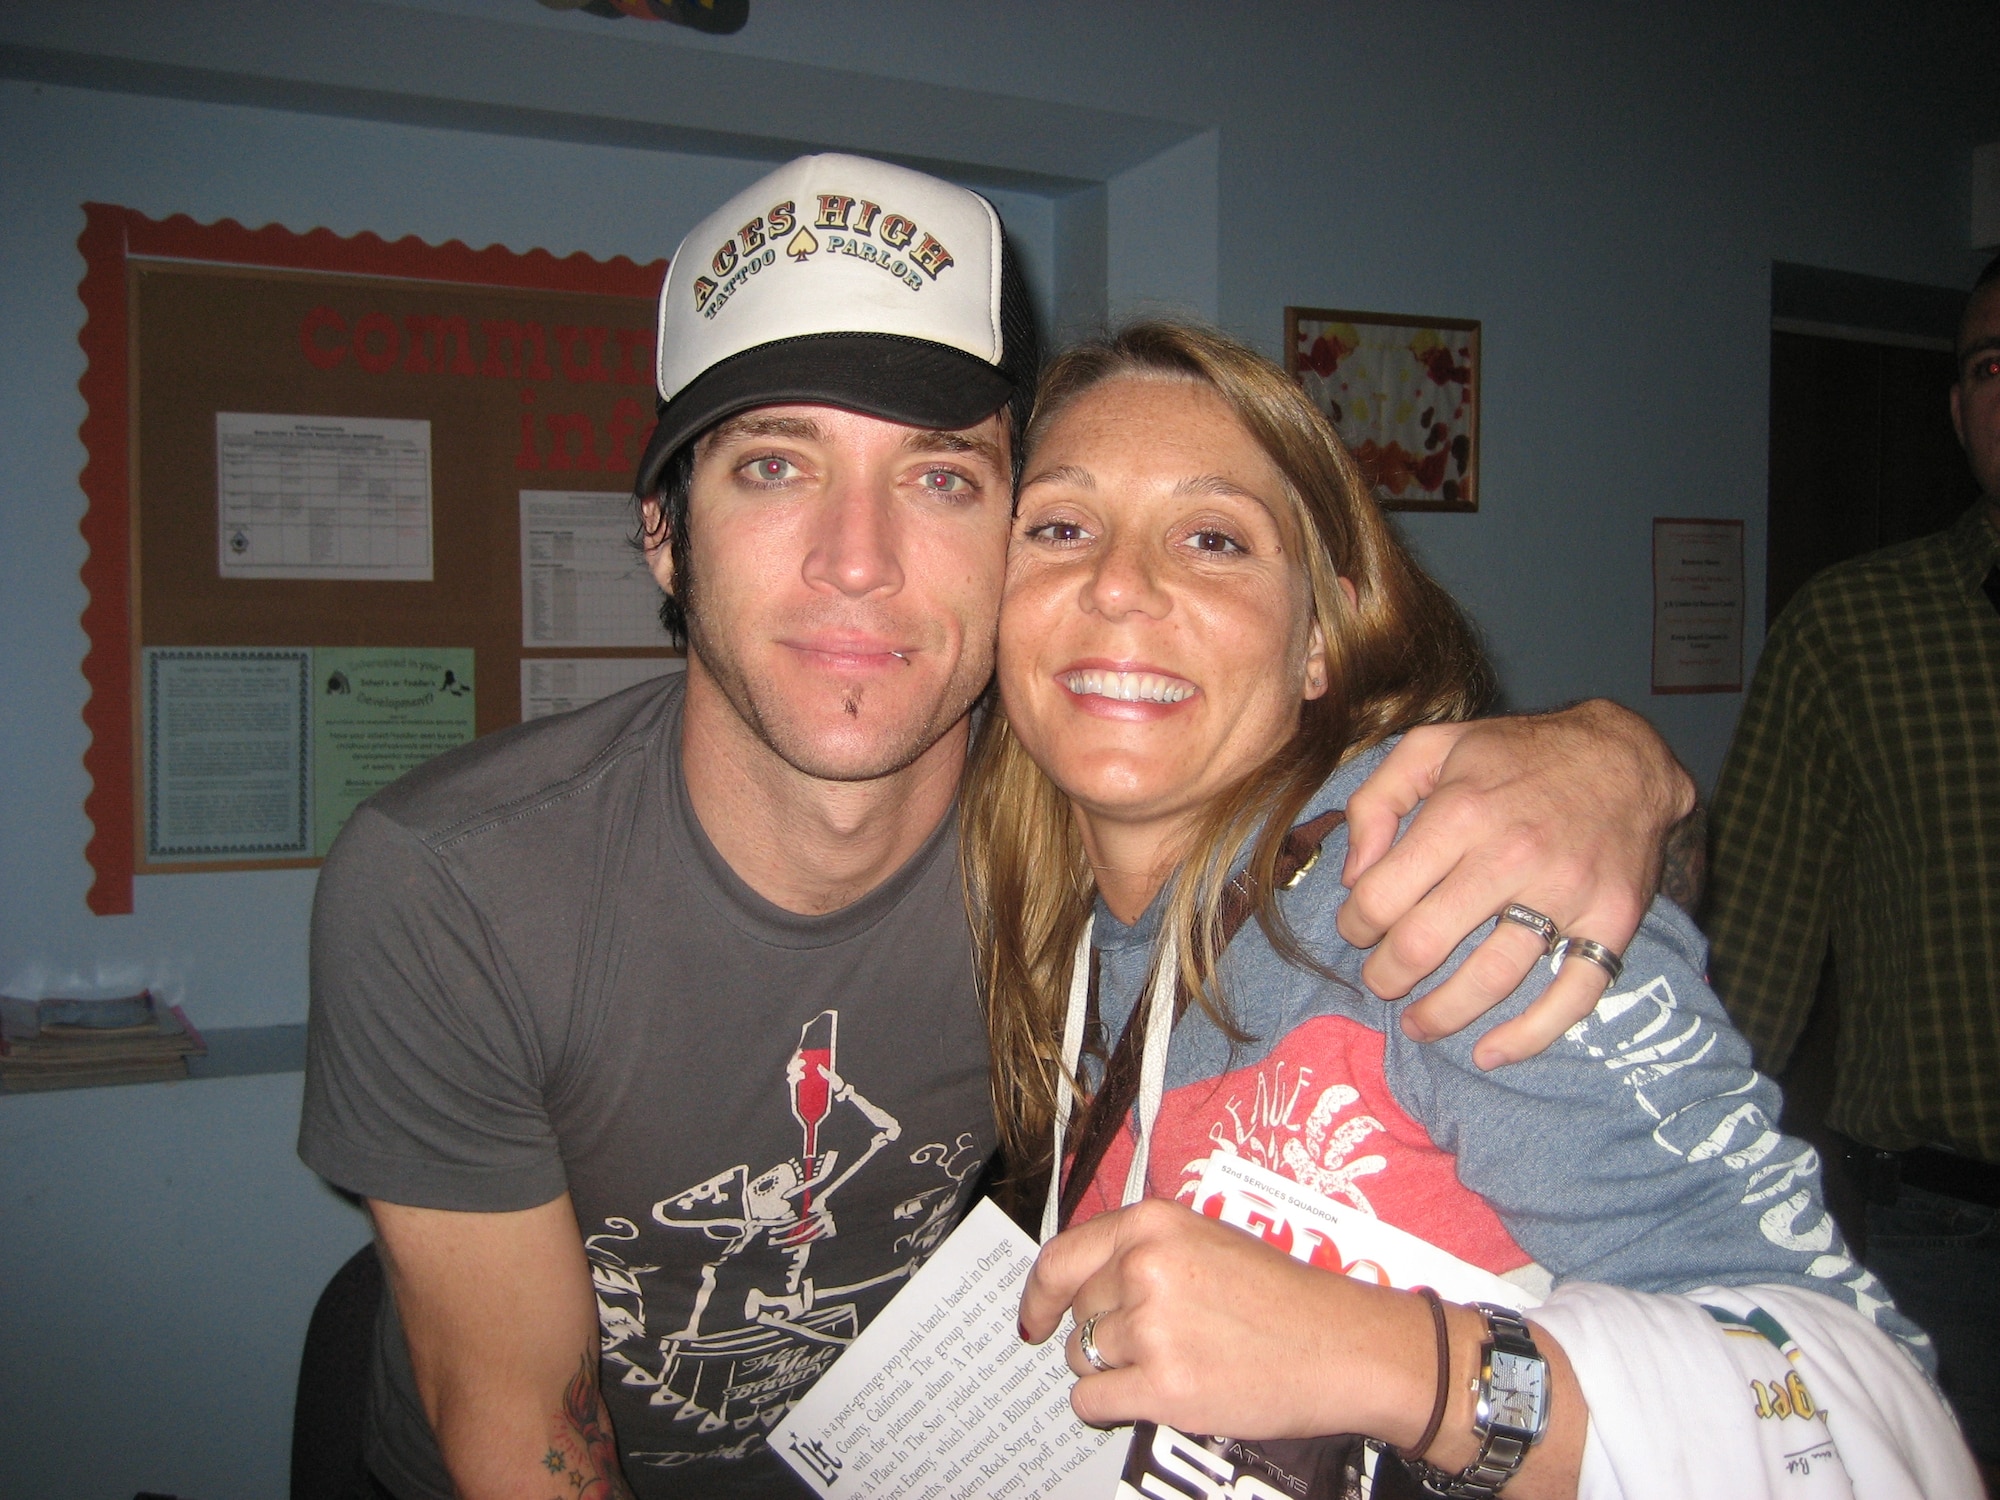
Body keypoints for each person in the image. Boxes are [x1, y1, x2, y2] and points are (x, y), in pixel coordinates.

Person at [300, 153, 1697, 1499]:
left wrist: (1606, 759)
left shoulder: (1073, 827)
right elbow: (521, 1433)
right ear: (664, 533)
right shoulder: (454, 887)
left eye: (942, 479)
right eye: (775, 469)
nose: (859, 560)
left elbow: (1290, 767)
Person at [987, 322, 1975, 1496]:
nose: (1114, 583)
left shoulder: (1447, 885)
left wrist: (1393, 1362)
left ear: (1319, 640)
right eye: (1057, 526)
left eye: (1212, 538)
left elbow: (1862, 1417)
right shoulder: (1043, 931)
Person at [1704, 248, 2000, 1475]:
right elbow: (1752, 981)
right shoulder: (1852, 632)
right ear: (1956, 411)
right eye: (1988, 367)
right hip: (1951, 1238)